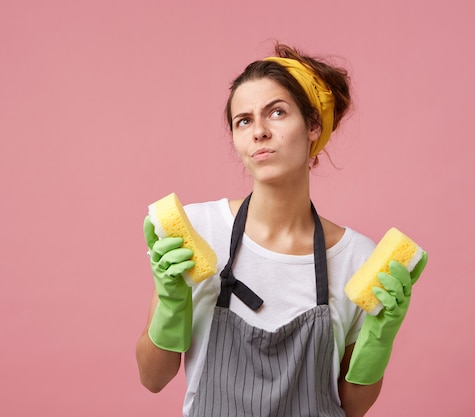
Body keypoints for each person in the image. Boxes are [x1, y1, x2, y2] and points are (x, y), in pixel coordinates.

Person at [135, 42, 427, 417]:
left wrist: (379, 339)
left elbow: (352, 408)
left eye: (276, 112)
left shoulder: (360, 259)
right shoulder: (196, 232)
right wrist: (172, 305)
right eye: (243, 120)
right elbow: (152, 378)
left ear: (313, 127)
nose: (259, 131)